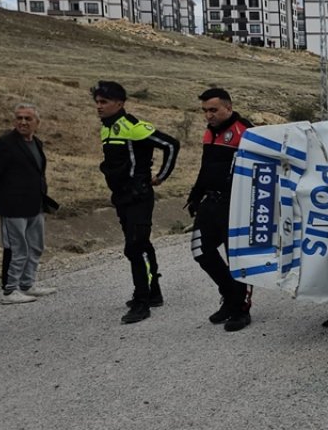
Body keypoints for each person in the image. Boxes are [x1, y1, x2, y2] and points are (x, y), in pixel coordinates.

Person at [93, 81, 180, 324]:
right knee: (141, 245)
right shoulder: (106, 128)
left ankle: (142, 302)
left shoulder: (132, 126)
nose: (99, 107)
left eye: (104, 102)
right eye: (97, 102)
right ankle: (153, 293)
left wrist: (161, 177)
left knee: (135, 247)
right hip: (121, 196)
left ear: (119, 103)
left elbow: (171, 144)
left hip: (139, 195)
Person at [185, 88, 253, 332]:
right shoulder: (209, 133)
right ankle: (229, 296)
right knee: (201, 250)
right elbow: (206, 167)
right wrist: (195, 195)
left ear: (228, 108)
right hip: (210, 203)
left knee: (236, 257)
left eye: (213, 110)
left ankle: (241, 309)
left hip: (235, 205)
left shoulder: (245, 130)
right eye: (204, 111)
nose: (208, 115)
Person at [0, 103, 56, 304]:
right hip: (12, 208)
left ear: (37, 123)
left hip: (35, 205)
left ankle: (27, 284)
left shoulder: (37, 143)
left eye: (28, 118)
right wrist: (0, 202)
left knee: (35, 246)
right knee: (17, 248)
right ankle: (9, 290)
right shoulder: (4, 143)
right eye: (19, 118)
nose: (23, 122)